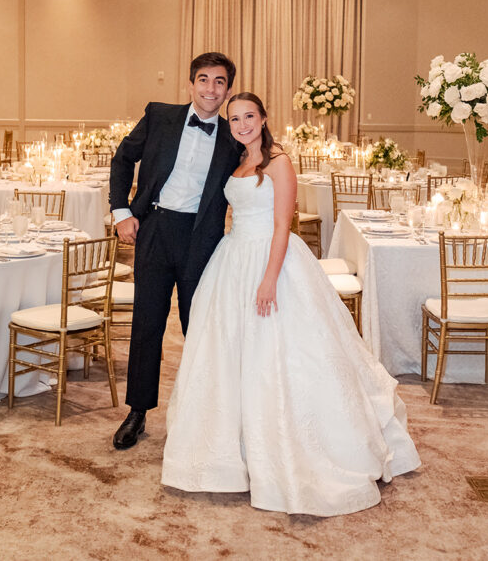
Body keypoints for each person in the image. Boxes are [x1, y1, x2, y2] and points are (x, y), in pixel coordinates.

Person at [161, 92, 420, 516]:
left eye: (249, 116)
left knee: (285, 355)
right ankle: (231, 449)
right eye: (234, 119)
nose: (242, 124)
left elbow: (283, 226)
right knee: (228, 355)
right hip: (233, 259)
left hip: (272, 261)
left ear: (264, 118)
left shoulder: (279, 163)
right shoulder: (235, 162)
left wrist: (269, 280)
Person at [108, 52, 242, 450]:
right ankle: (137, 411)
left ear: (228, 90)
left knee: (197, 326)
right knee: (147, 324)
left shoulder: (234, 136)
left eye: (219, 82)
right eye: (204, 79)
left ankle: (203, 412)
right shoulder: (160, 115)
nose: (210, 89)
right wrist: (121, 212)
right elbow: (122, 159)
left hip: (201, 238)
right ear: (190, 83)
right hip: (154, 228)